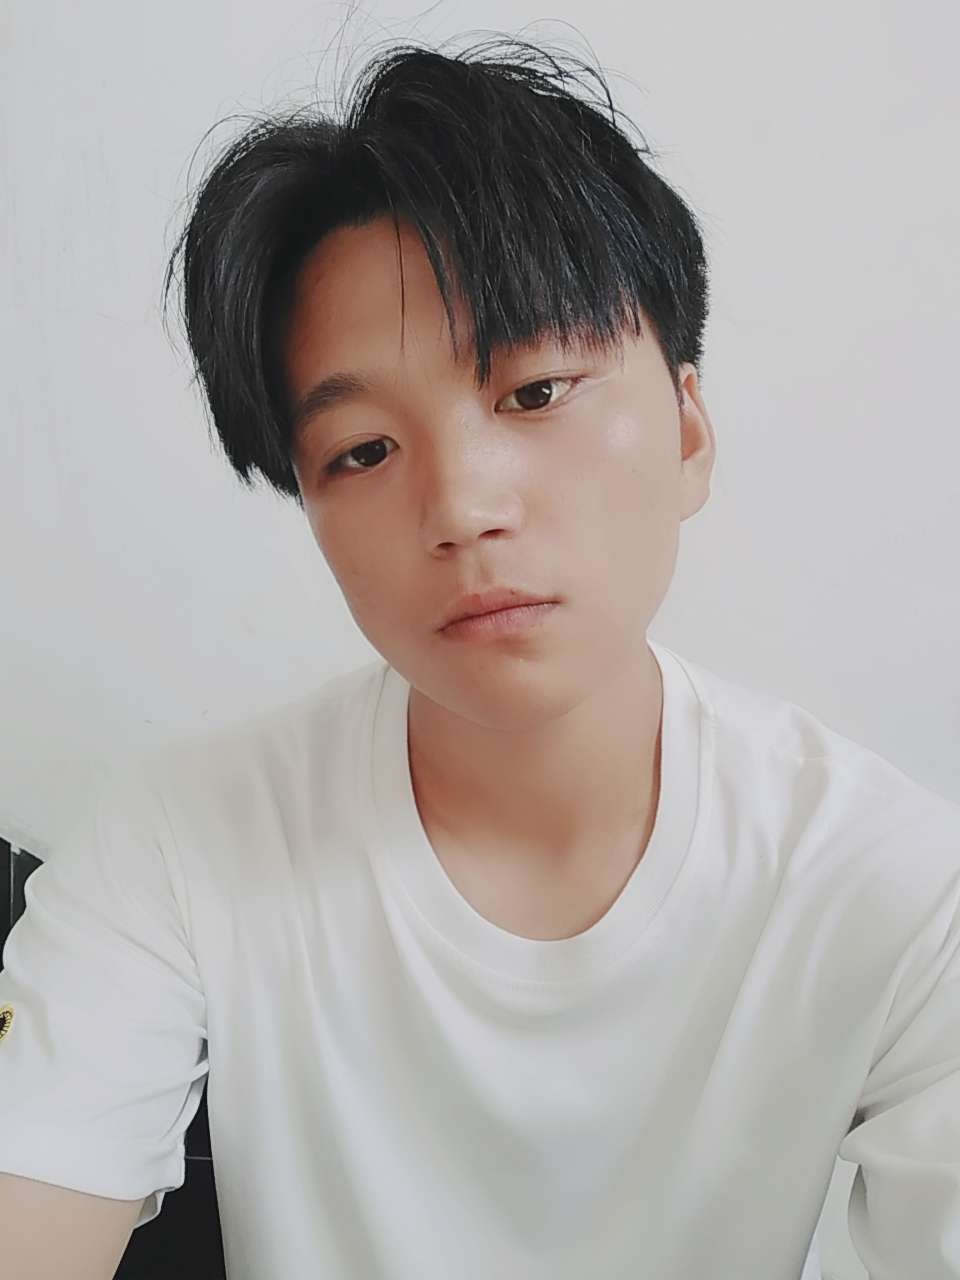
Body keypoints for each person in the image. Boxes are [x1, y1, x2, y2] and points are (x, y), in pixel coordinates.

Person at [2, 34, 958, 1280]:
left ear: (688, 430)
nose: (460, 506)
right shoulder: (182, 848)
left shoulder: (898, 892)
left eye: (535, 392)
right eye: (362, 451)